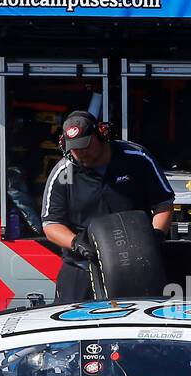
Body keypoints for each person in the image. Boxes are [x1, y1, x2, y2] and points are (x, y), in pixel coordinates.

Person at [40, 110, 174, 303]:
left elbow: (164, 202)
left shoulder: (137, 158)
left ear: (101, 134)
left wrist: (155, 236)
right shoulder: (63, 173)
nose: (80, 153)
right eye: (74, 148)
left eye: (85, 145)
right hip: (81, 267)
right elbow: (51, 224)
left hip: (135, 266)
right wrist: (77, 243)